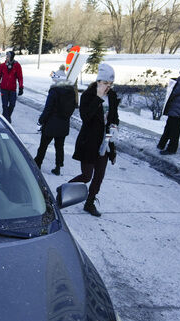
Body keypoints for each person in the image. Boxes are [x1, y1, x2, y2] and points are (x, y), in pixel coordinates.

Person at [66, 63, 119, 217]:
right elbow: (86, 117)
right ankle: (64, 190)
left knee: (99, 176)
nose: (108, 87)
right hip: (89, 141)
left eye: (110, 84)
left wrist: (115, 128)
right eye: (105, 83)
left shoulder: (113, 96)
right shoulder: (88, 96)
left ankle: (89, 203)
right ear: (98, 81)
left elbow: (114, 117)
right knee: (87, 176)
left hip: (106, 140)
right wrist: (98, 98)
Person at [35, 78, 78, 176]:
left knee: (43, 145)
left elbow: (48, 109)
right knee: (59, 146)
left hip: (51, 124)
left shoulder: (54, 92)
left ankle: (38, 163)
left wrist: (41, 120)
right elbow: (72, 108)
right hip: (63, 124)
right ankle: (58, 166)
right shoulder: (71, 92)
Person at [0, 51, 24, 123]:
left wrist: (21, 87)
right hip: (4, 88)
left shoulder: (17, 65)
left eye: (8, 56)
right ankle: (7, 120)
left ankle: (5, 117)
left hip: (12, 89)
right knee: (4, 105)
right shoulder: (2, 65)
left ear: (11, 57)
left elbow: (20, 77)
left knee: (12, 104)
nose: (6, 58)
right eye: (6, 56)